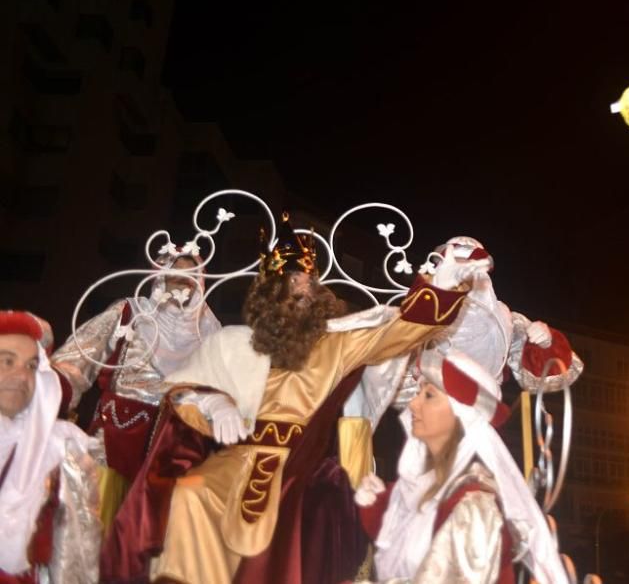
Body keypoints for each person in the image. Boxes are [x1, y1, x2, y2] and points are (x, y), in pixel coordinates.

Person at [101, 213, 478, 584]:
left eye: (308, 281)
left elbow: (399, 331)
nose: (301, 289)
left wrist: (442, 285)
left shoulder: (335, 344)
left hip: (297, 466)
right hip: (234, 461)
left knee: (287, 520)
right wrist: (213, 403)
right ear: (270, 296)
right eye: (292, 281)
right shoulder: (232, 342)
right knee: (188, 497)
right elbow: (181, 393)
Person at [354, 350, 569, 584]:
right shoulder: (427, 493)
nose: (414, 404)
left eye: (429, 395)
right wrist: (376, 504)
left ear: (462, 414)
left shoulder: (475, 507)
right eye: (418, 392)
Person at [50, 248, 220, 526]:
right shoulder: (130, 312)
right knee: (92, 524)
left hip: (171, 451)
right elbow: (79, 358)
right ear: (161, 275)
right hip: (114, 438)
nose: (183, 281)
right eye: (177, 273)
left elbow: (217, 393)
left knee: (149, 535)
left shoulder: (209, 331)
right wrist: (51, 390)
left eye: (191, 276)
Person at [346, 236, 584, 430]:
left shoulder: (504, 320)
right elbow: (391, 373)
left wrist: (544, 342)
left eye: (466, 268)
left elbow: (551, 374)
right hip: (432, 418)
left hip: (481, 415)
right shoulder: (421, 318)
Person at [0, 311, 102, 584]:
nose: (22, 376)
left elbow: (76, 562)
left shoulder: (62, 449)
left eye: (32, 366)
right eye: (7, 361)